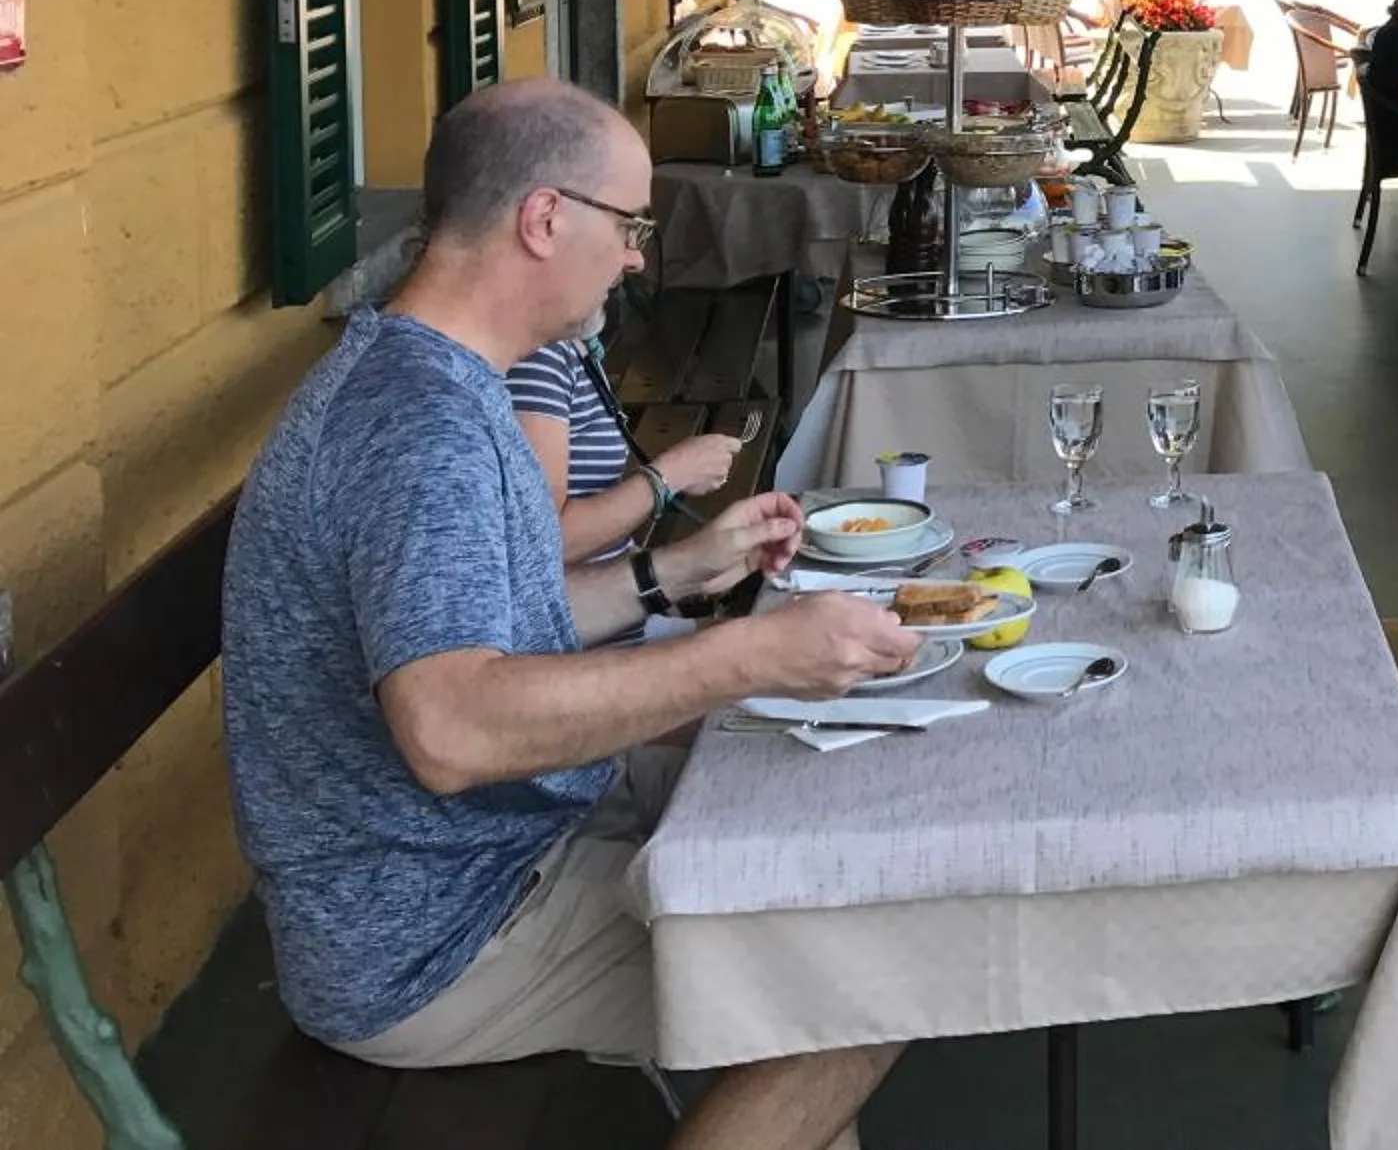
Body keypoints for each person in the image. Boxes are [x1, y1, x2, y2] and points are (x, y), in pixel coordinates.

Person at [223, 78, 915, 1147]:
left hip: (485, 849)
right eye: (629, 225)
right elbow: (454, 728)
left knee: (807, 802)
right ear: (545, 220)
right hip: (432, 931)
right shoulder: (420, 429)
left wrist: (675, 574)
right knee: (862, 980)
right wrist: (743, 653)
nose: (638, 255)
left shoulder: (438, 378)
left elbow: (502, 621)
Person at [508, 327, 742, 562]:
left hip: (610, 582)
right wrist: (672, 475)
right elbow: (544, 545)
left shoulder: (573, 344)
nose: (615, 288)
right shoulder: (539, 360)